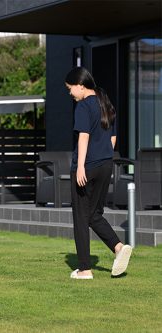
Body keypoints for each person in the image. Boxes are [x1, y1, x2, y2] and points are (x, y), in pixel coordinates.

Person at [65, 67, 132, 279]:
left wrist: (81, 166)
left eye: (70, 89)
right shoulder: (104, 102)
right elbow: (112, 139)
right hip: (106, 164)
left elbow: (83, 137)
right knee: (94, 214)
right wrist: (103, 155)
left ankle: (85, 269)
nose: (70, 93)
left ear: (80, 85)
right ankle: (118, 247)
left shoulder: (83, 106)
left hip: (88, 166)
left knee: (81, 217)